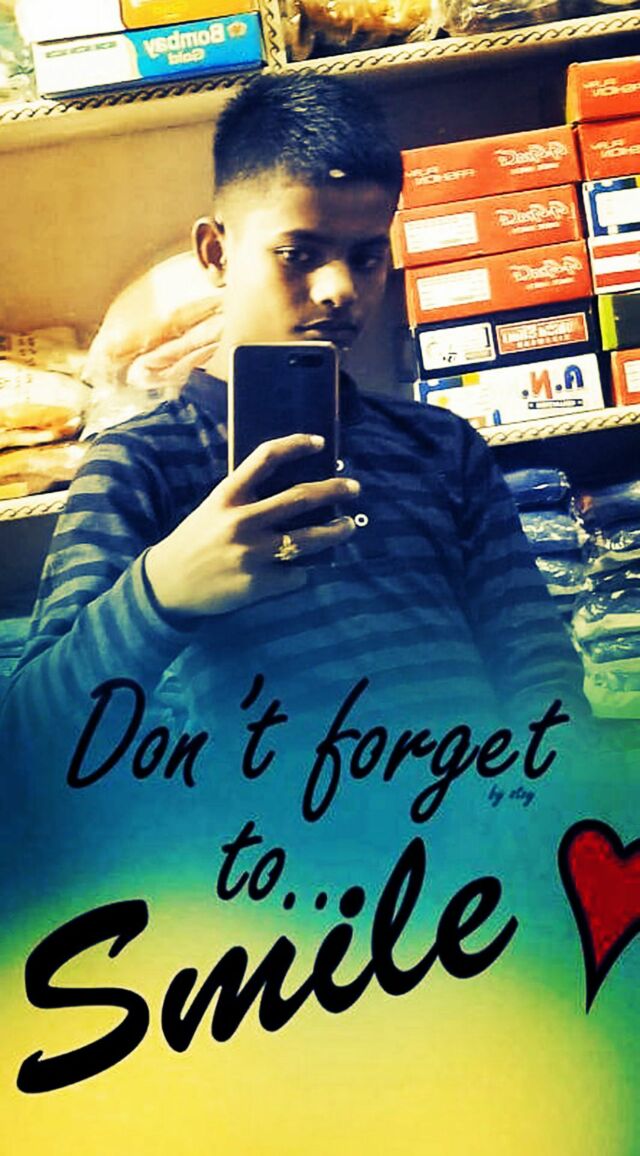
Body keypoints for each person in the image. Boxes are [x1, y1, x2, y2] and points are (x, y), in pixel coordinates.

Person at [2, 72, 584, 758]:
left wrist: (549, 796)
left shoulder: (442, 445)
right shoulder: (139, 463)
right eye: (298, 254)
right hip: (267, 826)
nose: (340, 289)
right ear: (215, 254)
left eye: (367, 257)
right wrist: (163, 591)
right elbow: (30, 734)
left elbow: (539, 673)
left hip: (471, 812)